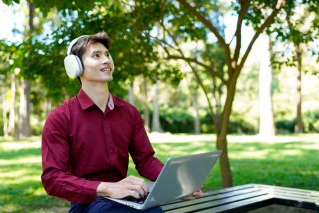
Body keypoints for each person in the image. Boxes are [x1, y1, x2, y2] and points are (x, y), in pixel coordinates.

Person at [41, 32, 202, 213]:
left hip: (128, 198)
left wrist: (175, 183)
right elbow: (52, 179)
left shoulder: (129, 112)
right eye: (96, 55)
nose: (106, 60)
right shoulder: (60, 118)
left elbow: (145, 160)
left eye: (107, 55)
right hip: (87, 204)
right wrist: (108, 188)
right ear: (75, 66)